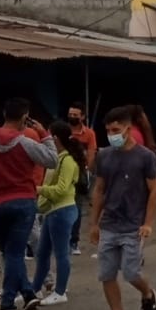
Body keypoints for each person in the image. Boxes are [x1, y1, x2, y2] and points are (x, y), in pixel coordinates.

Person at [89, 106, 156, 310]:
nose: (112, 135)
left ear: (128, 129)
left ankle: (147, 293)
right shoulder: (104, 156)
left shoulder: (145, 157)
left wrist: (148, 223)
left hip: (133, 225)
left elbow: (154, 190)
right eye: (108, 131)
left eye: (116, 130)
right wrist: (94, 223)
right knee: (107, 273)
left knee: (131, 272)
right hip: (110, 223)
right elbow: (99, 189)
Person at [0, 98, 58, 310]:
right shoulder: (26, 143)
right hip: (22, 201)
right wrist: (44, 134)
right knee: (15, 253)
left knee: (9, 252)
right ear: (26, 118)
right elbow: (52, 160)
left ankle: (27, 293)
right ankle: (8, 301)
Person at [31, 121, 88, 306]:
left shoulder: (67, 161)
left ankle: (60, 291)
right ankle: (34, 289)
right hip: (52, 211)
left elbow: (62, 189)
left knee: (61, 253)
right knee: (42, 253)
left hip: (62, 210)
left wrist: (39, 190)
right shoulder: (57, 158)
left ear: (55, 138)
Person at [66, 101, 97, 256]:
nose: (72, 116)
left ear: (82, 117)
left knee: (76, 208)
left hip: (79, 175)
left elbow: (91, 153)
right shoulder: (63, 130)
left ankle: (74, 241)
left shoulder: (89, 134)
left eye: (75, 114)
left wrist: (87, 171)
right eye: (70, 114)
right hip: (62, 173)